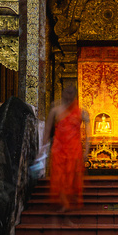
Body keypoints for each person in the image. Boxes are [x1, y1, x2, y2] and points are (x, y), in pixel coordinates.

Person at [42, 83, 90, 212]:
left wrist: (87, 148)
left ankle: (69, 201)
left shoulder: (81, 112)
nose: (69, 96)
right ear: (63, 94)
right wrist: (42, 150)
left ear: (75, 95)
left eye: (71, 93)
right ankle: (64, 203)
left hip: (74, 148)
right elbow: (47, 131)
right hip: (59, 148)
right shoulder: (55, 110)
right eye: (67, 93)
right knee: (59, 175)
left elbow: (88, 133)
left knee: (72, 175)